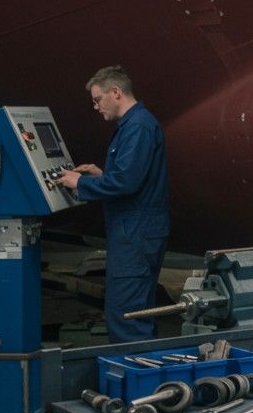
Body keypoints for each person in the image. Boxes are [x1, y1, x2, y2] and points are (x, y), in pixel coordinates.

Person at [57, 66, 169, 343]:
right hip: (138, 230)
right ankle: (147, 377)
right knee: (138, 311)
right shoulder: (134, 126)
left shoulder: (138, 127)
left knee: (126, 315)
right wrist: (101, 175)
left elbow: (127, 183)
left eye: (97, 99)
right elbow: (131, 178)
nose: (95, 107)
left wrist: (79, 183)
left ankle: (134, 381)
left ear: (116, 92)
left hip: (135, 233)